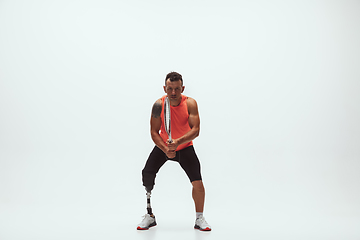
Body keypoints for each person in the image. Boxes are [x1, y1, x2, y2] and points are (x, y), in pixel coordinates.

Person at [137, 72, 211, 231]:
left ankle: (199, 218)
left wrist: (177, 142)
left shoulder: (190, 103)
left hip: (185, 147)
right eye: (169, 88)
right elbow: (153, 131)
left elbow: (196, 130)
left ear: (182, 88)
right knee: (147, 174)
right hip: (163, 146)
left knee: (197, 182)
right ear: (164, 88)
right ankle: (149, 216)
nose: (173, 93)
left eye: (177, 89)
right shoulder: (158, 105)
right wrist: (165, 149)